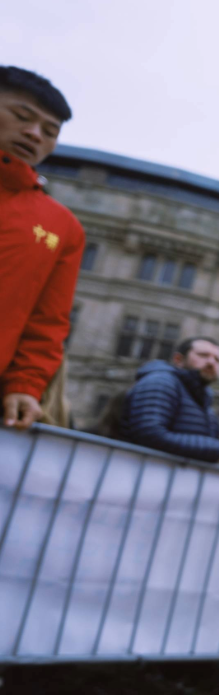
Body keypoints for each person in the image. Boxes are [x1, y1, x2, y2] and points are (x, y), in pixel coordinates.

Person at [1, 66, 84, 430]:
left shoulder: (61, 227)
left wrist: (25, 385)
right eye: (22, 117)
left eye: (50, 132)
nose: (35, 134)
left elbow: (47, 322)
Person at [120, 337, 219, 463]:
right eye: (203, 355)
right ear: (178, 359)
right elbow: (149, 433)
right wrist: (215, 450)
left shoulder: (202, 397)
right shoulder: (161, 381)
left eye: (217, 359)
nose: (211, 362)